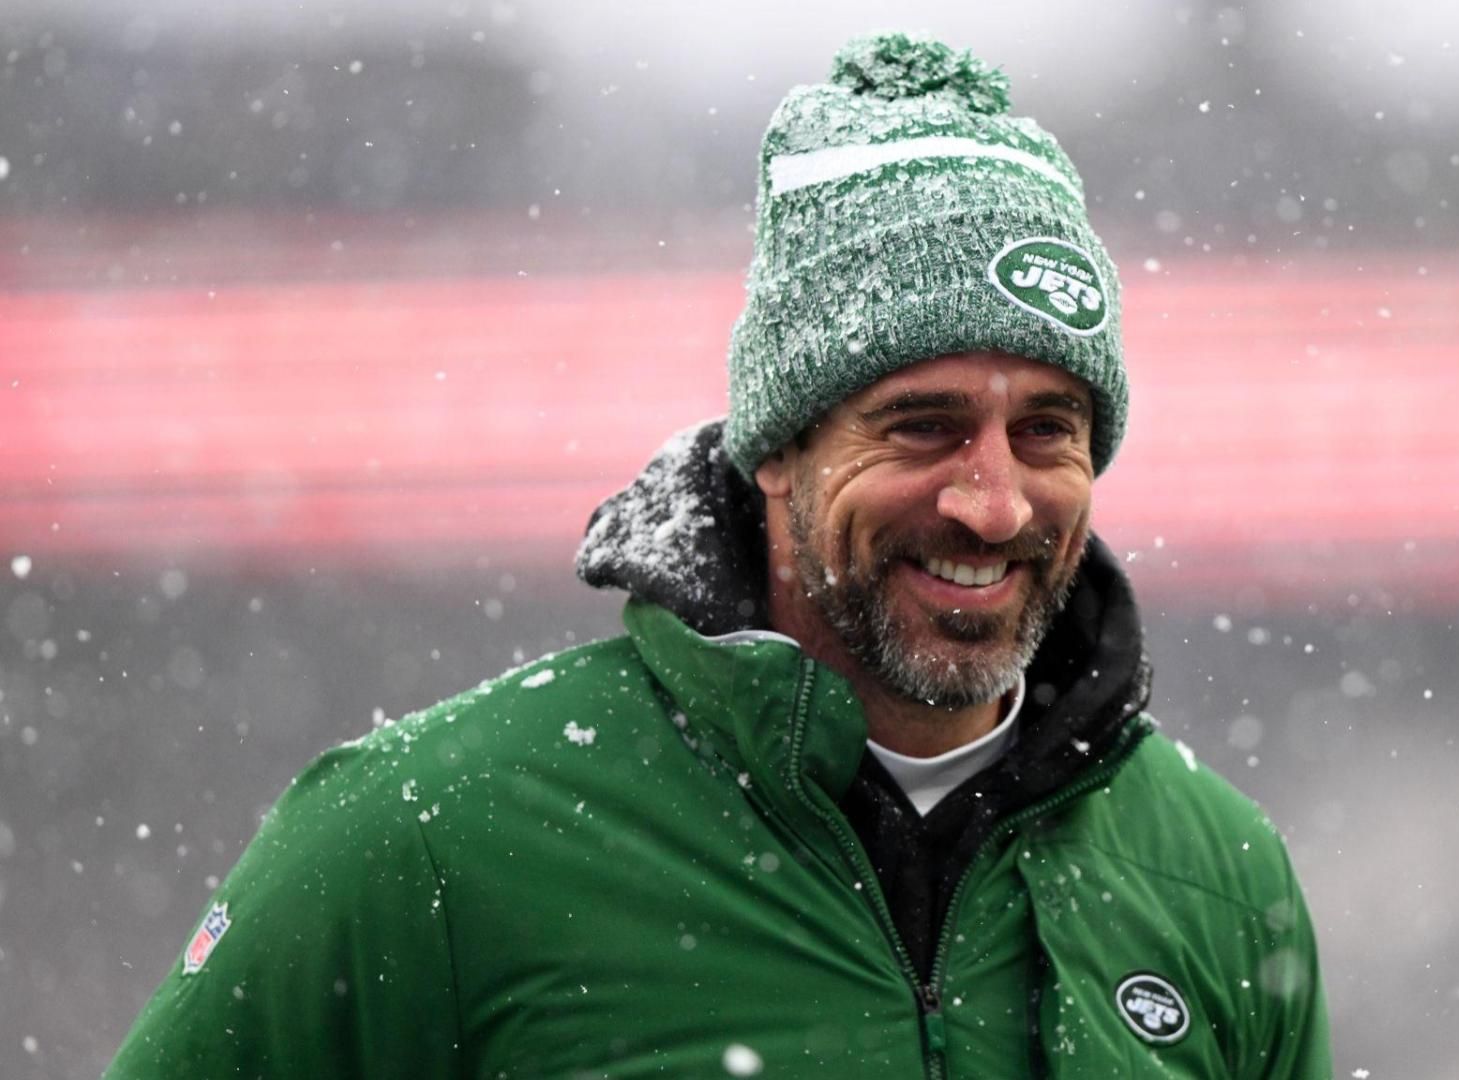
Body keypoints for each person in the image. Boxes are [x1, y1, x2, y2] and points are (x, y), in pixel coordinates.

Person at [107, 31, 1331, 1078]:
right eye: (923, 425)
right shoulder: (428, 838)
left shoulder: (1216, 880)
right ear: (777, 452)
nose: (994, 502)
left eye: (1047, 432)